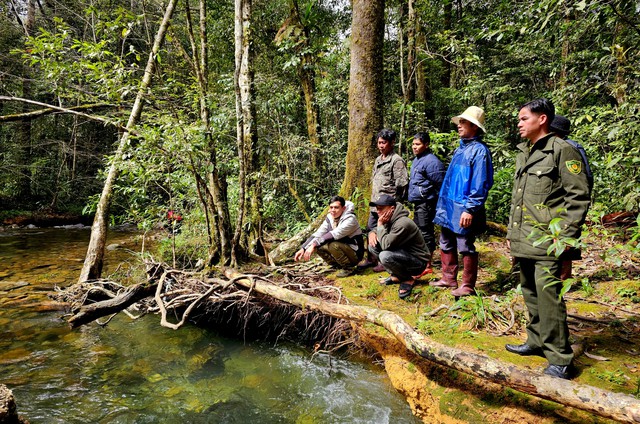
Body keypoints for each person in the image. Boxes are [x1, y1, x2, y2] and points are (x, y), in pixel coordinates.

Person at [505, 99, 590, 380]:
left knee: (549, 298)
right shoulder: (525, 152)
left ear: (542, 119)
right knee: (530, 292)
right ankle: (536, 340)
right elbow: (520, 200)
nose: (519, 123)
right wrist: (512, 235)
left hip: (548, 241)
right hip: (526, 237)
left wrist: (565, 240)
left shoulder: (563, 151)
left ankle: (560, 358)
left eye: (523, 118)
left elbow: (577, 198)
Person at [432, 106, 494, 296]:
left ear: (474, 127)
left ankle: (467, 285)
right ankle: (448, 278)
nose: (459, 126)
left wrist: (470, 209)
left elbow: (480, 183)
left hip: (464, 206)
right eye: (459, 122)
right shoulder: (461, 148)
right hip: (449, 204)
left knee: (465, 244)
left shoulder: (480, 151)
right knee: (445, 240)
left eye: (464, 122)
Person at [358, 129, 409, 272]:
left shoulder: (396, 160)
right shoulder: (378, 159)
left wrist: (394, 206)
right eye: (379, 142)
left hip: (388, 205)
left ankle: (384, 260)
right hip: (375, 204)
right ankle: (371, 258)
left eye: (384, 143)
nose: (381, 145)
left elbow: (402, 185)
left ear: (392, 143)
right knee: (370, 229)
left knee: (385, 232)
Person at [550, 115, 593, 281]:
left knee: (565, 240)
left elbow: (580, 183)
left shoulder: (568, 149)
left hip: (565, 201)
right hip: (557, 201)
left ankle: (563, 279)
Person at [367, 194, 429, 299]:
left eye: (381, 208)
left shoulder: (402, 223)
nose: (378, 211)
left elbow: (386, 245)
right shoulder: (389, 218)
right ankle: (396, 276)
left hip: (417, 262)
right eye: (377, 209)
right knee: (372, 246)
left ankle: (407, 279)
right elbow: (380, 233)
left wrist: (380, 224)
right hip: (403, 255)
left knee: (385, 255)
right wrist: (372, 233)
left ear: (392, 208)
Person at [294, 196, 364, 277]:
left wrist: (313, 245)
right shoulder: (330, 217)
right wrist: (304, 248)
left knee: (332, 245)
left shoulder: (350, 219)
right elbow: (318, 233)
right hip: (342, 247)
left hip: (355, 253)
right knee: (318, 245)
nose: (333, 210)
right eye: (331, 207)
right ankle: (336, 265)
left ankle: (348, 268)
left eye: (336, 207)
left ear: (343, 208)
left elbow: (333, 234)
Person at [408, 132, 445, 274]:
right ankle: (420, 261)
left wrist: (431, 197)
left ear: (426, 145)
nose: (414, 147)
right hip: (418, 202)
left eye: (418, 144)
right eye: (413, 144)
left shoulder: (432, 162)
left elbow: (439, 183)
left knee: (425, 231)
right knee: (418, 231)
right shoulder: (418, 159)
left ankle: (427, 264)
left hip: (427, 202)